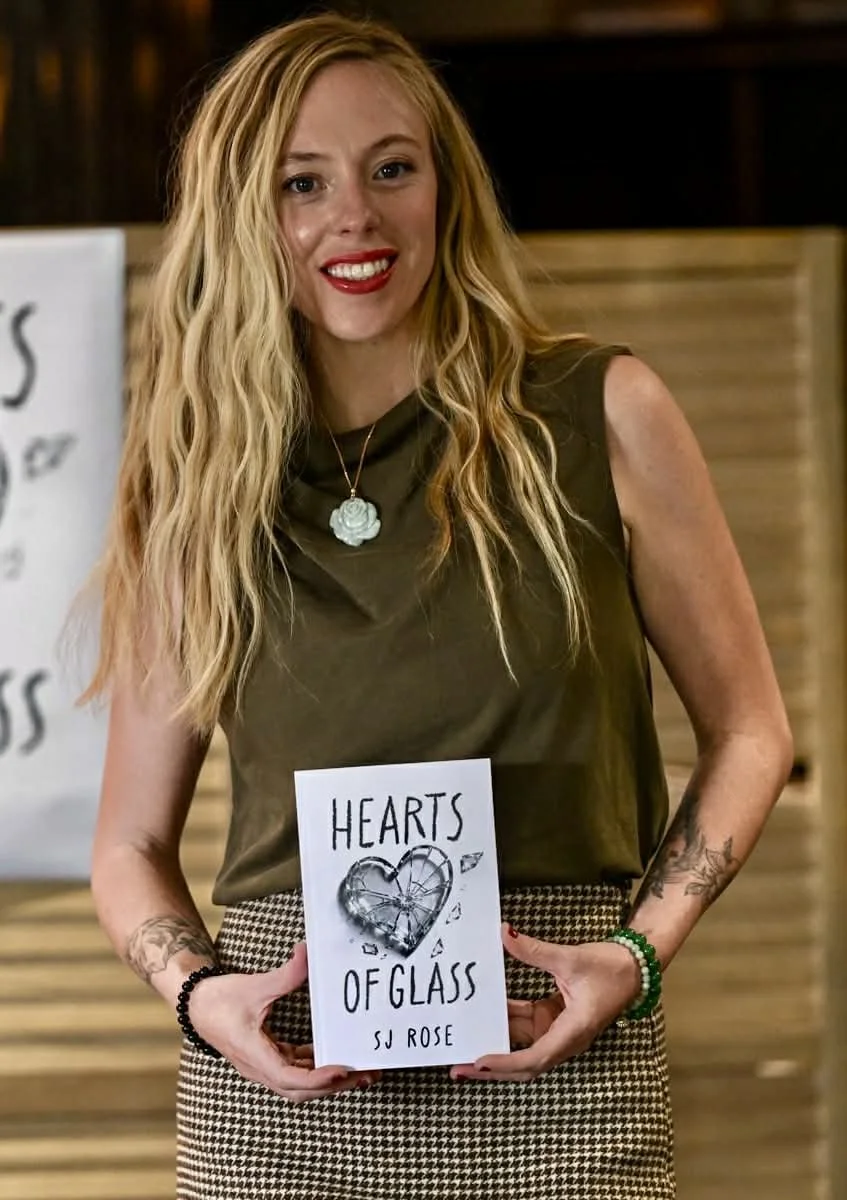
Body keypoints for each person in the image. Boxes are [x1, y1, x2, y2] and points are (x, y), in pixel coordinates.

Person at [83, 12, 793, 1200]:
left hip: (557, 1059)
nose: (352, 217)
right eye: (301, 183)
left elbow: (751, 731)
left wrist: (636, 953)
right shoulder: (198, 480)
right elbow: (128, 846)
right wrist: (205, 999)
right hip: (287, 1089)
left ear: (445, 191)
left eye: (390, 169)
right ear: (245, 216)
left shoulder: (599, 409)